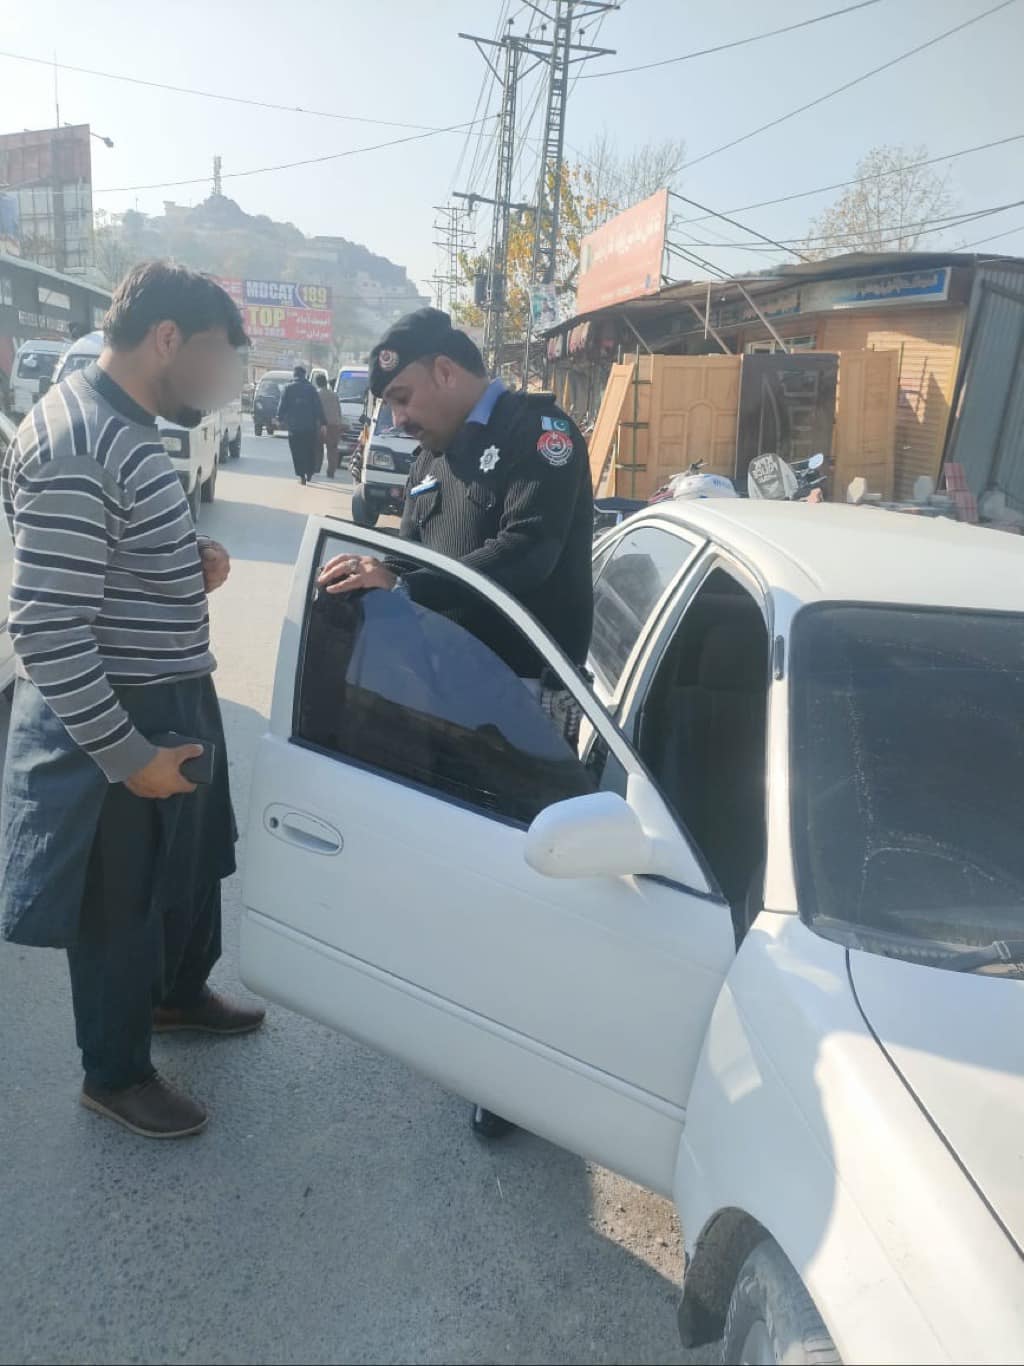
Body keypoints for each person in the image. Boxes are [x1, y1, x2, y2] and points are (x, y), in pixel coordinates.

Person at [0, 261, 264, 1140]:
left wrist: (187, 561)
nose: (225, 387)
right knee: (118, 906)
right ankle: (113, 1074)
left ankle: (176, 998)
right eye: (221, 361)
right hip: (118, 718)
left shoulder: (129, 422)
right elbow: (47, 629)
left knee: (185, 871)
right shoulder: (76, 435)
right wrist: (128, 758)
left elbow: (112, 555)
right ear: (166, 341)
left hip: (173, 690)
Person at [316, 307, 594, 1141]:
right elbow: (414, 549)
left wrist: (403, 587)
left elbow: (529, 551)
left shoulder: (537, 431)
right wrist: (382, 576)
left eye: (404, 395)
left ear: (446, 371)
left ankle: (514, 1076)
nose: (398, 417)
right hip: (450, 690)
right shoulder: (438, 455)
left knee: (523, 891)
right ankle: (470, 1027)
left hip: (520, 698)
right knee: (467, 878)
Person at [277, 364, 322, 484]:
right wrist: (323, 422)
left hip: (294, 428)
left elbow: (282, 406)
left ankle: (301, 475)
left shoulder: (288, 388)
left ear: (294, 375)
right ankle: (310, 472)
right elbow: (318, 408)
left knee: (297, 452)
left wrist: (279, 418)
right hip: (309, 428)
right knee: (309, 450)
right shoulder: (311, 389)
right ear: (304, 375)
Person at [315, 371, 343, 479]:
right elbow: (339, 411)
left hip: (320, 425)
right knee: (332, 449)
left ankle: (317, 468)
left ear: (317, 383)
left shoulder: (316, 394)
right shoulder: (334, 395)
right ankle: (331, 471)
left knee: (318, 447)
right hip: (334, 424)